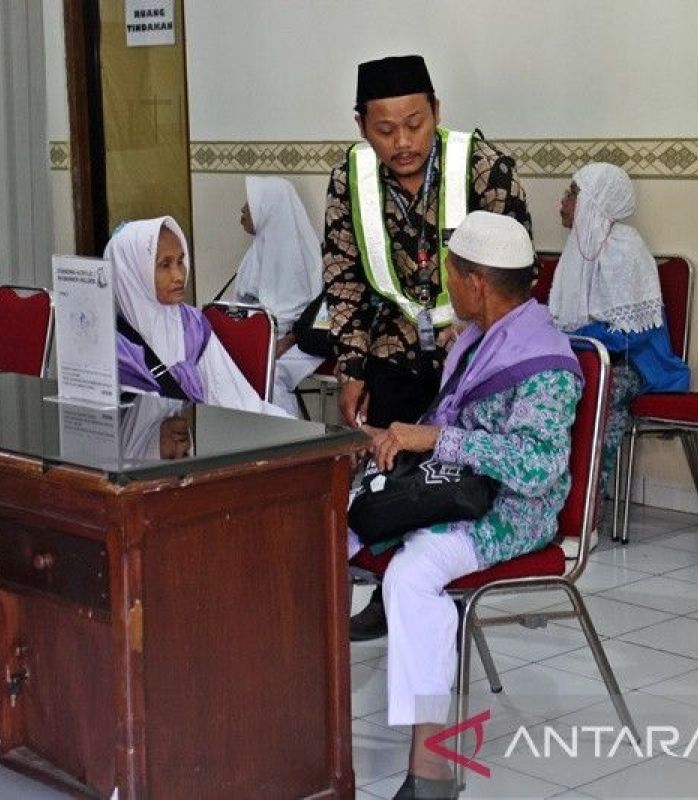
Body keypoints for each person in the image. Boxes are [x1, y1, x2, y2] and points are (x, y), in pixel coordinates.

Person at [352, 212, 581, 800]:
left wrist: (435, 439)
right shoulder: (482, 337)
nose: (447, 284)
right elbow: (444, 426)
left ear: (477, 282)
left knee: (413, 574)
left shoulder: (546, 361)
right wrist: (395, 441)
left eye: (452, 273)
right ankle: (304, 729)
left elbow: (537, 467)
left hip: (512, 509)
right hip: (451, 485)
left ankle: (430, 772)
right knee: (326, 529)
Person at [325, 53, 532, 640]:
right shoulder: (352, 179)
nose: (403, 142)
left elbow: (517, 268)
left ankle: (445, 577)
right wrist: (352, 364)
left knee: (453, 478)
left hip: (471, 358)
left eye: (415, 123)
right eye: (385, 129)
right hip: (391, 352)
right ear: (361, 124)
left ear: (436, 112)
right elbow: (343, 277)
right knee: (394, 478)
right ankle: (395, 594)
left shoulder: (483, 167)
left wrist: (479, 331)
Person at [549, 163, 689, 495]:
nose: (562, 203)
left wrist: (573, 339)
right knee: (545, 386)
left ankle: (588, 503)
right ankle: (549, 495)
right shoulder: (578, 249)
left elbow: (631, 335)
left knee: (605, 389)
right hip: (587, 354)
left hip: (635, 363)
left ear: (594, 201)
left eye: (572, 194)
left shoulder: (625, 248)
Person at [107, 216, 290, 417]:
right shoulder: (109, 343)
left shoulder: (191, 325)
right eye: (164, 265)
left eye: (180, 261)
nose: (178, 275)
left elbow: (233, 397)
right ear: (131, 272)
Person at [235, 176, 326, 416]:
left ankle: (286, 440)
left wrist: (268, 338)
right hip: (264, 334)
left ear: (269, 209)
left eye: (251, 204)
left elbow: (297, 313)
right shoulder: (258, 248)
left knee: (270, 375)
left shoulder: (297, 252)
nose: (243, 210)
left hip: (300, 340)